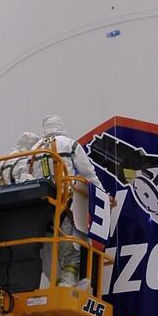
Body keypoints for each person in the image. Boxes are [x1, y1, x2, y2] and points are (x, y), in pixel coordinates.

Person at [32, 115, 102, 288]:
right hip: (65, 205)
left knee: (49, 251)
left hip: (39, 211)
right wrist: (102, 195)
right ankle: (67, 286)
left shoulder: (35, 149)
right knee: (74, 249)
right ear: (61, 127)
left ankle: (55, 287)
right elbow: (88, 173)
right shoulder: (68, 144)